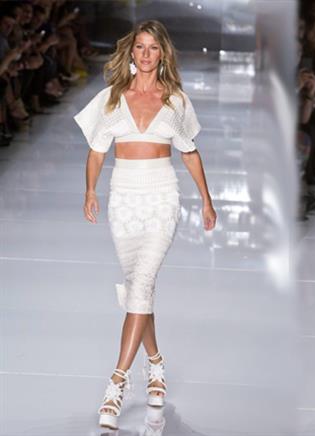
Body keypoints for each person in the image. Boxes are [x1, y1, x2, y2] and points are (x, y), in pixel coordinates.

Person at [74, 20, 216, 430]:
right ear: (131, 52)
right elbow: (97, 152)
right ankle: (155, 362)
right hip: (124, 199)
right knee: (140, 286)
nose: (146, 54)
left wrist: (206, 200)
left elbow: (189, 152)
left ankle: (116, 382)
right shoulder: (111, 98)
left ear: (162, 53)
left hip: (161, 197)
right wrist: (90, 190)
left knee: (142, 282)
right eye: (140, 47)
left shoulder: (176, 100)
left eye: (153, 47)